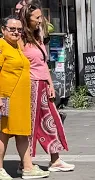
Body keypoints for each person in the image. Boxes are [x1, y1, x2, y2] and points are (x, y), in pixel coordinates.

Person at [17, 4, 75, 173]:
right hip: (30, 85)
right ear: (27, 19)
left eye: (40, 16)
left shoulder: (38, 37)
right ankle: (25, 163)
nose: (40, 20)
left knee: (52, 122)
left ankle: (55, 159)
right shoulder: (20, 39)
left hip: (42, 84)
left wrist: (50, 83)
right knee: (31, 125)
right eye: (37, 17)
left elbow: (43, 63)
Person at [0, 15, 50, 180]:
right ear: (3, 30)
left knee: (22, 133)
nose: (16, 32)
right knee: (3, 133)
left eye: (19, 30)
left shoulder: (16, 47)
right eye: (12, 29)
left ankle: (27, 167)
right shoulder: (2, 46)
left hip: (21, 99)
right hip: (6, 98)